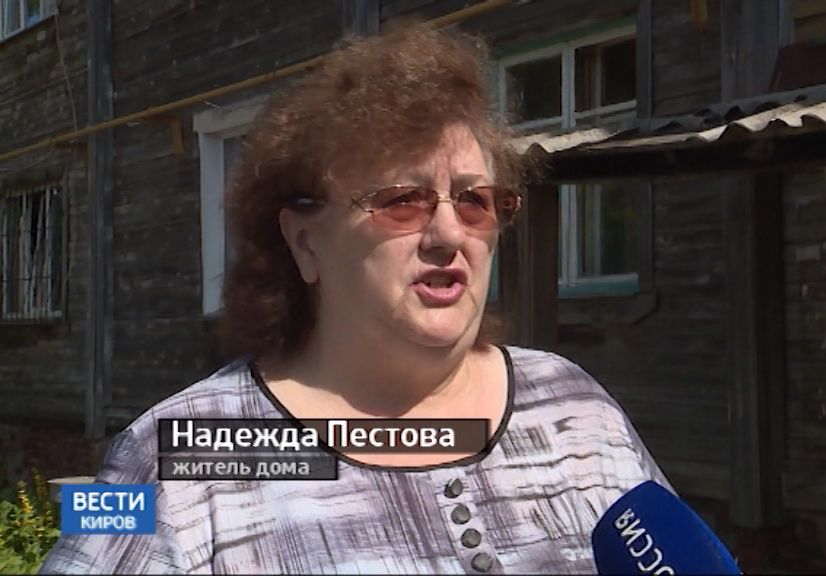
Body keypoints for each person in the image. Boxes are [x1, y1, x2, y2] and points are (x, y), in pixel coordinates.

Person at [41, 23, 674, 574]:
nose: (450, 234)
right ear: (305, 242)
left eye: (475, 201)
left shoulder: (573, 406)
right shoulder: (175, 456)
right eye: (402, 200)